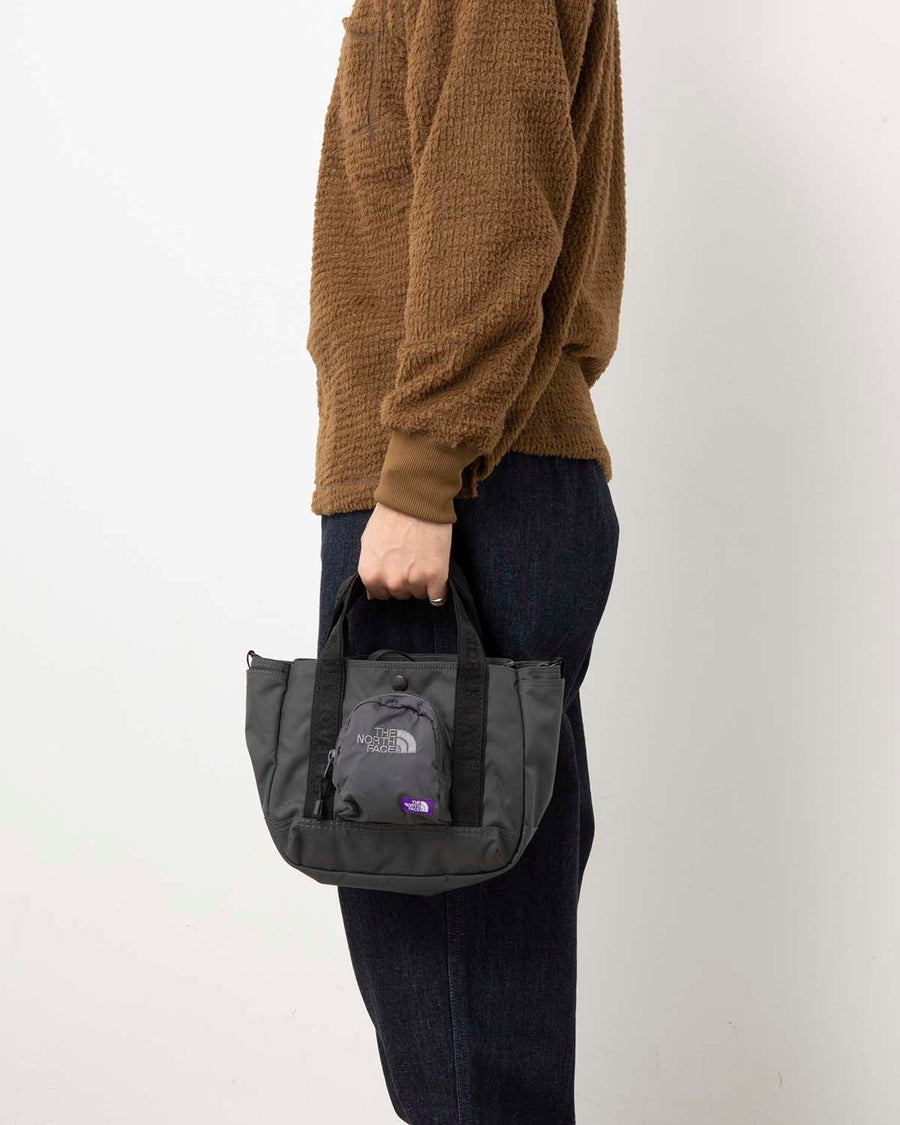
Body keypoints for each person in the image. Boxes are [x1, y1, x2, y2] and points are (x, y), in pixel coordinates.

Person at [308, 1, 625, 1121]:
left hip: (460, 502)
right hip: (482, 485)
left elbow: (491, 193)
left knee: (456, 993)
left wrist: (420, 478)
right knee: (478, 984)